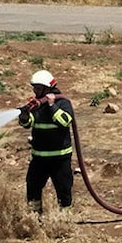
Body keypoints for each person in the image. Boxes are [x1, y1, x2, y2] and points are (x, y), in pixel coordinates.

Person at [17, 69, 75, 214]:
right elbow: (28, 123)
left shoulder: (63, 102)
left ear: (48, 88)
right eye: (34, 88)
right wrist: (24, 117)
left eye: (38, 88)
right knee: (32, 186)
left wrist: (52, 106)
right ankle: (35, 219)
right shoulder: (36, 105)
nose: (35, 91)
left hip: (60, 157)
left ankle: (64, 221)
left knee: (63, 190)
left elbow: (65, 121)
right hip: (39, 157)